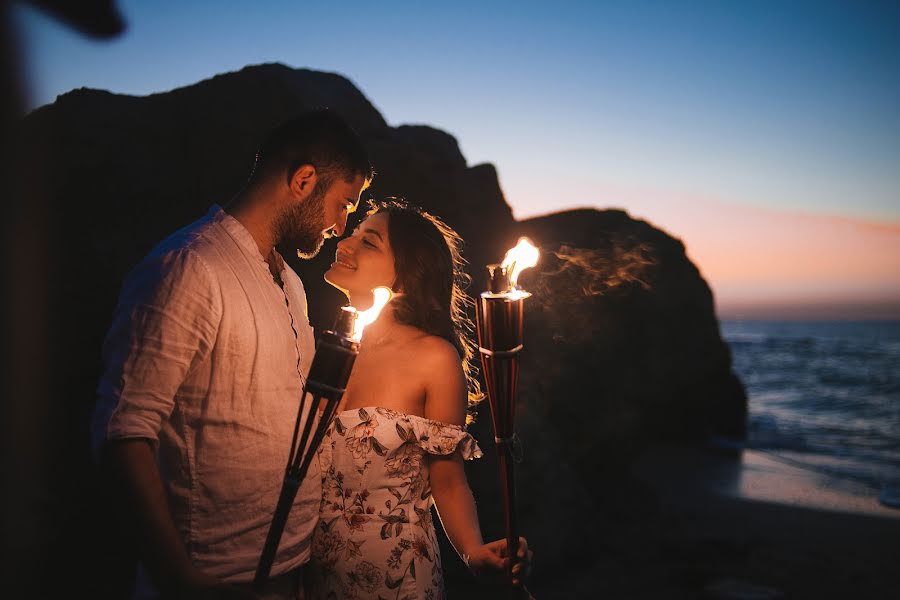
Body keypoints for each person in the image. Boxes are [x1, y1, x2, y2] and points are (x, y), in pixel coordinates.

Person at [92, 109, 373, 599]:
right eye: (344, 203)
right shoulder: (189, 266)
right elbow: (123, 431)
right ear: (305, 180)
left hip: (294, 568)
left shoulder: (289, 282)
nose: (342, 224)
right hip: (213, 579)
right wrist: (180, 579)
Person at [307, 200, 532, 599]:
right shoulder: (319, 349)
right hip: (309, 575)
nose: (345, 243)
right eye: (354, 233)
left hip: (394, 576)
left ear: (406, 276)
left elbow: (447, 480)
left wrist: (473, 551)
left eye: (369, 241)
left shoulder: (434, 358)